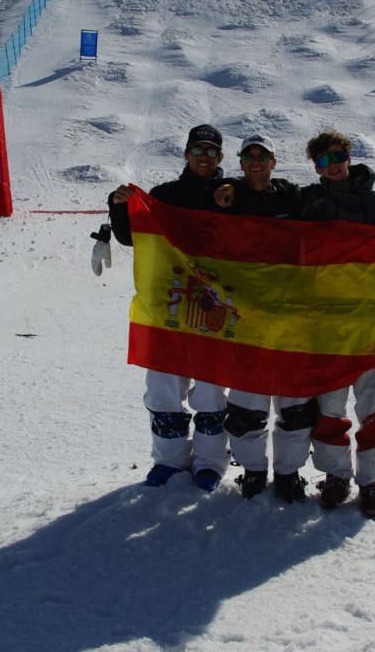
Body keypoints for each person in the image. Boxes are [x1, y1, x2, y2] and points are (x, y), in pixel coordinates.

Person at [299, 128, 375, 519]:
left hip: (371, 318)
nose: (332, 166)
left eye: (338, 158)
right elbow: (270, 210)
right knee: (329, 405)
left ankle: (373, 480)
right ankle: (336, 476)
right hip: (325, 318)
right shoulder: (308, 201)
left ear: (349, 159)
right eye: (323, 161)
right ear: (315, 166)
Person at [107, 124, 230, 492]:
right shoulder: (164, 195)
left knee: (210, 390)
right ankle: (169, 460)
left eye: (211, 151)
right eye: (198, 149)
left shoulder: (230, 196)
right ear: (186, 154)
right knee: (162, 387)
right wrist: (118, 207)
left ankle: (210, 463)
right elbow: (132, 236)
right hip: (169, 304)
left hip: (214, 304)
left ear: (220, 157)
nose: (204, 156)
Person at [213, 133, 317, 503]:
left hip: (290, 314)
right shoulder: (226, 197)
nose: (256, 161)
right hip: (245, 315)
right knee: (245, 405)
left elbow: (336, 210)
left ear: (274, 162)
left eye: (264, 156)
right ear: (240, 163)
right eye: (249, 156)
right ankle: (253, 472)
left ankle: (288, 474)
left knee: (295, 406)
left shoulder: (291, 195)